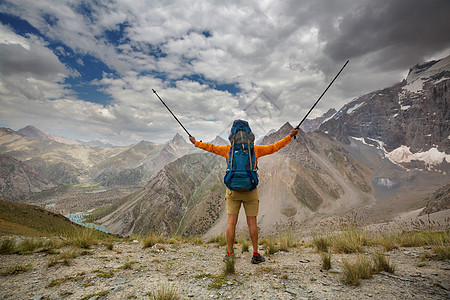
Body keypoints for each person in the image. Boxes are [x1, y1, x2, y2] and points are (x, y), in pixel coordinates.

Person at [189, 120, 299, 264]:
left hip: (232, 192)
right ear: (249, 135)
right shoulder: (255, 149)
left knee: (231, 223)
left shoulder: (228, 149)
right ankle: (255, 255)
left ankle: (229, 255)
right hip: (250, 191)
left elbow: (211, 147)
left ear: (233, 135)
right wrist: (290, 136)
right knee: (252, 224)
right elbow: (274, 147)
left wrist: (196, 142)